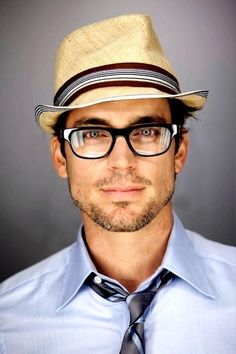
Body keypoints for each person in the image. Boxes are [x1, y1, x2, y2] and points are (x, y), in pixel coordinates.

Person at [0, 14, 235, 354]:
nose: (122, 161)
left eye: (147, 131)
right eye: (92, 133)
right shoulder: (7, 322)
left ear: (180, 150)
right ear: (61, 158)